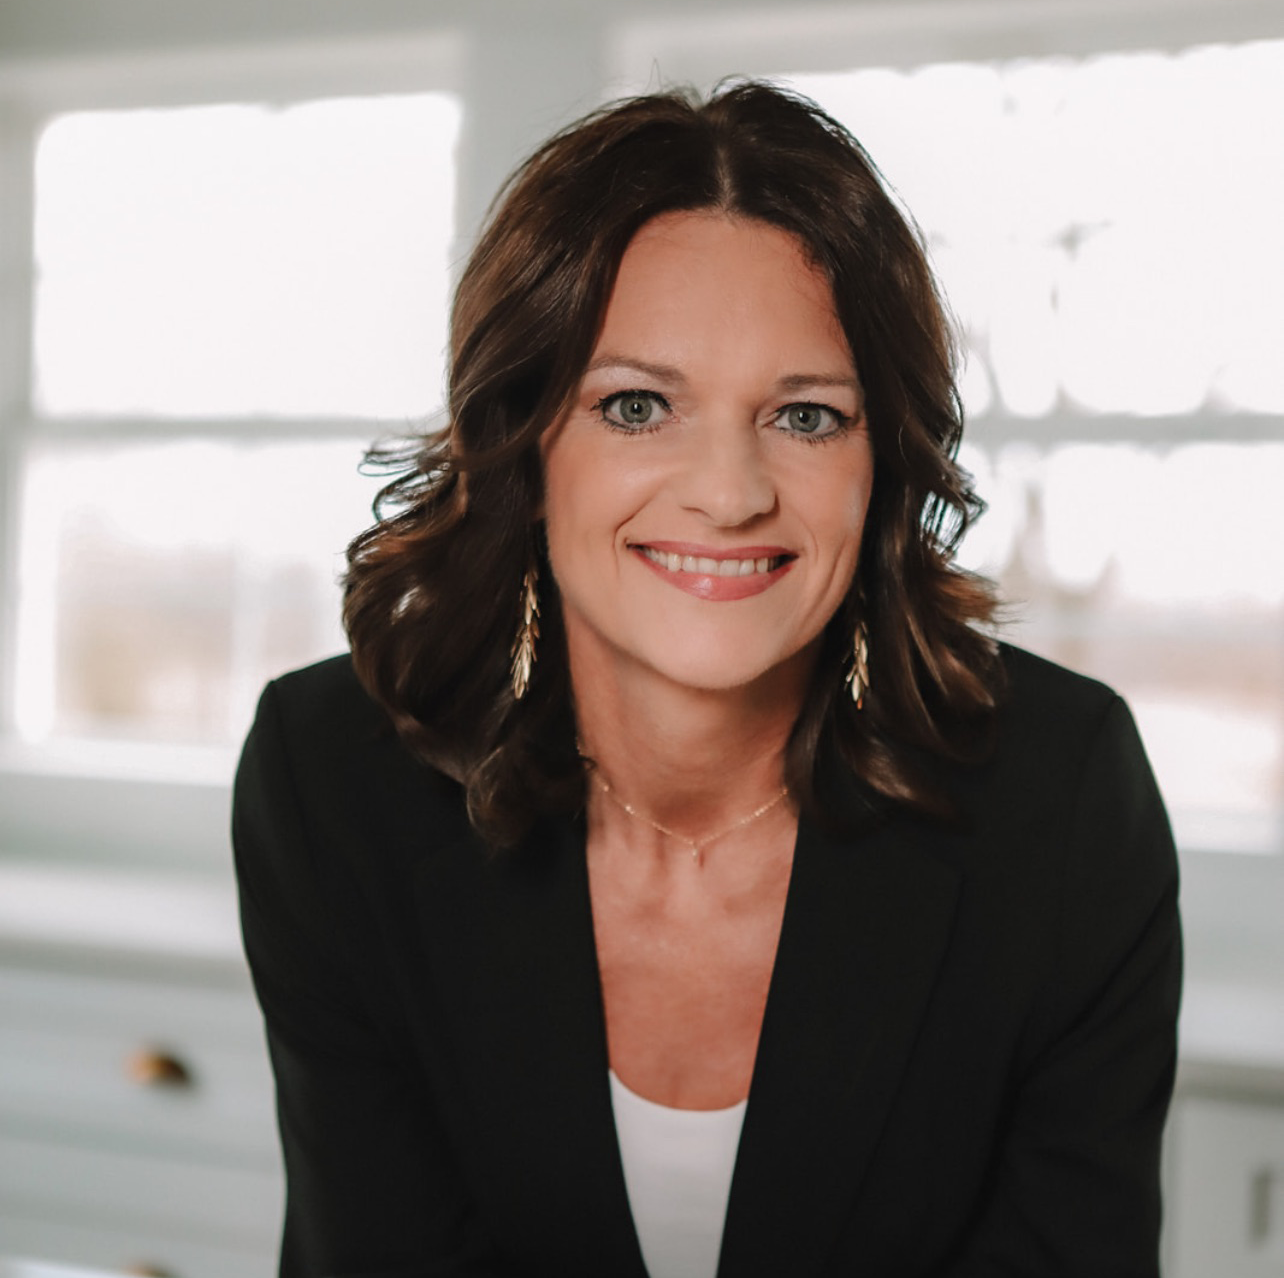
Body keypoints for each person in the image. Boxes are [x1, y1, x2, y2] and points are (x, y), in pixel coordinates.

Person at [233, 80, 1181, 1278]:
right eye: (637, 406)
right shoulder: (331, 779)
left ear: (881, 462)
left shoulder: (1063, 797)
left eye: (806, 416)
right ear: (525, 444)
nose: (729, 493)